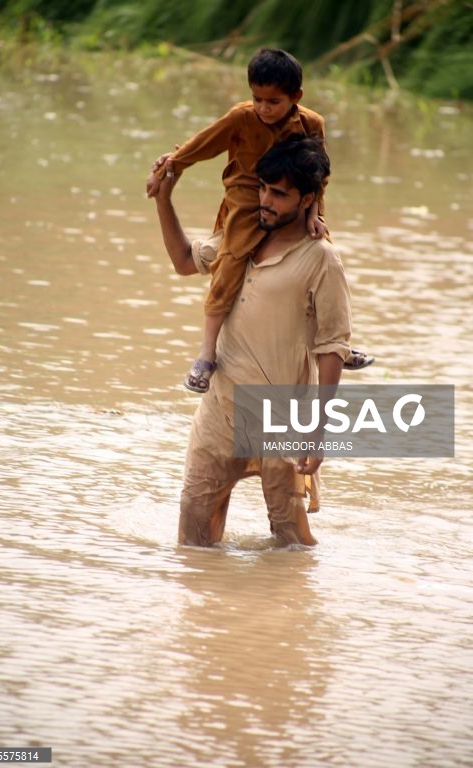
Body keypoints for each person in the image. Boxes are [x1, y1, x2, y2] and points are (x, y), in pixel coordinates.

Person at [152, 134, 352, 547]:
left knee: (289, 539)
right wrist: (163, 199)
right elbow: (184, 260)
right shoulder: (239, 236)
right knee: (192, 536)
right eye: (263, 188)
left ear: (307, 199)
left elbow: (331, 347)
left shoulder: (321, 259)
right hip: (220, 410)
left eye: (279, 194)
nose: (266, 200)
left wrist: (318, 430)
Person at [147, 48, 371, 394]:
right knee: (231, 259)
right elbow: (202, 144)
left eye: (273, 101)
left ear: (296, 97)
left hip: (294, 205)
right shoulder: (242, 117)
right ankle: (207, 352)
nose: (264, 108)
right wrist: (171, 166)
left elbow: (318, 175)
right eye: (257, 99)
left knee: (322, 256)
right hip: (244, 197)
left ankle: (332, 347)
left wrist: (316, 214)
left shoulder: (312, 124)